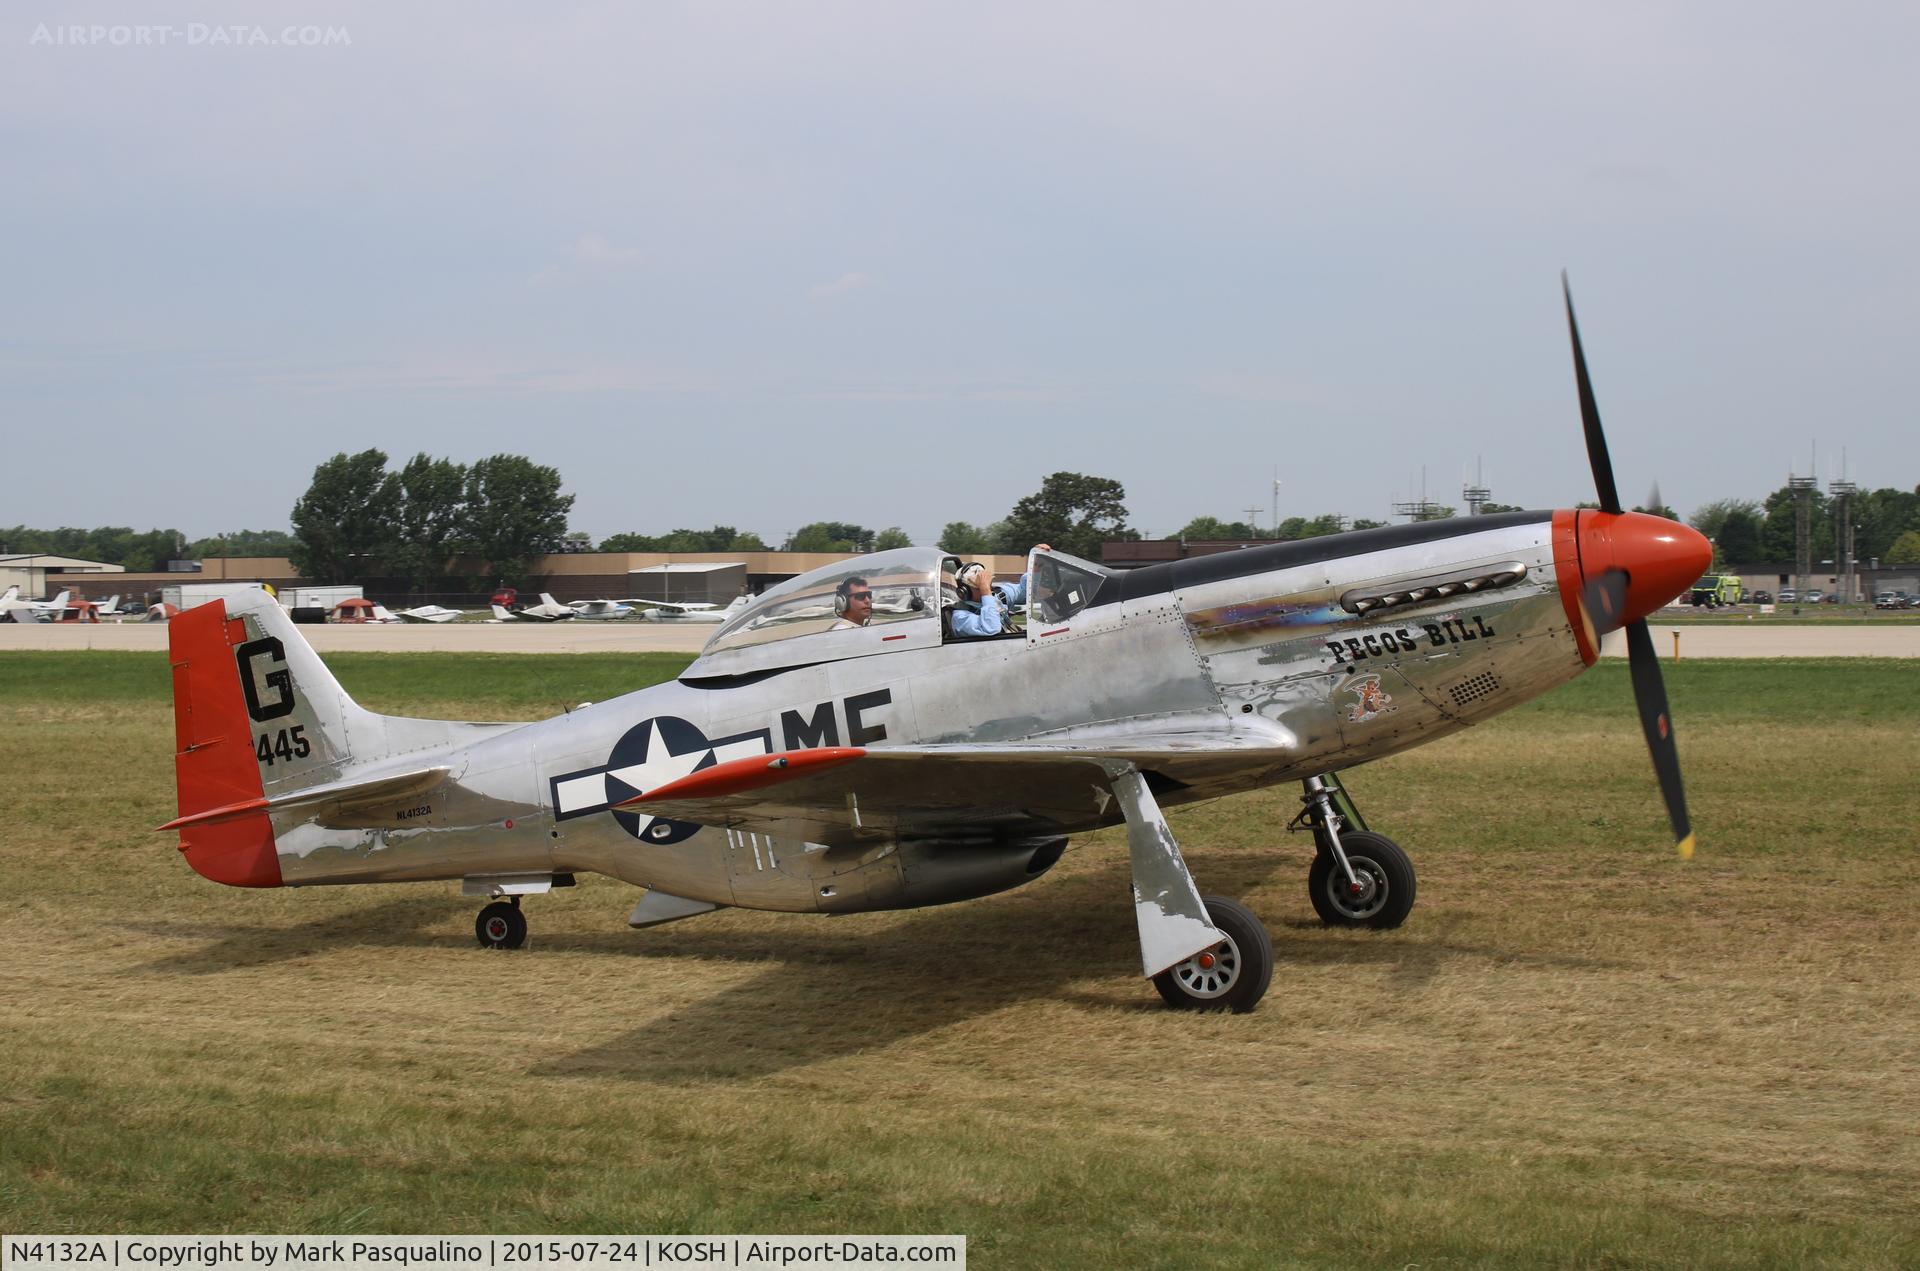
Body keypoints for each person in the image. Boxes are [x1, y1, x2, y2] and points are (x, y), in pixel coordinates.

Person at [947, 546, 1048, 637]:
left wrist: (1037, 565)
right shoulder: (960, 618)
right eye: (980, 586)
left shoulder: (997, 597)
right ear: (965, 591)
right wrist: (985, 590)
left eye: (988, 583)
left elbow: (1025, 591)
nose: (989, 588)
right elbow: (991, 628)